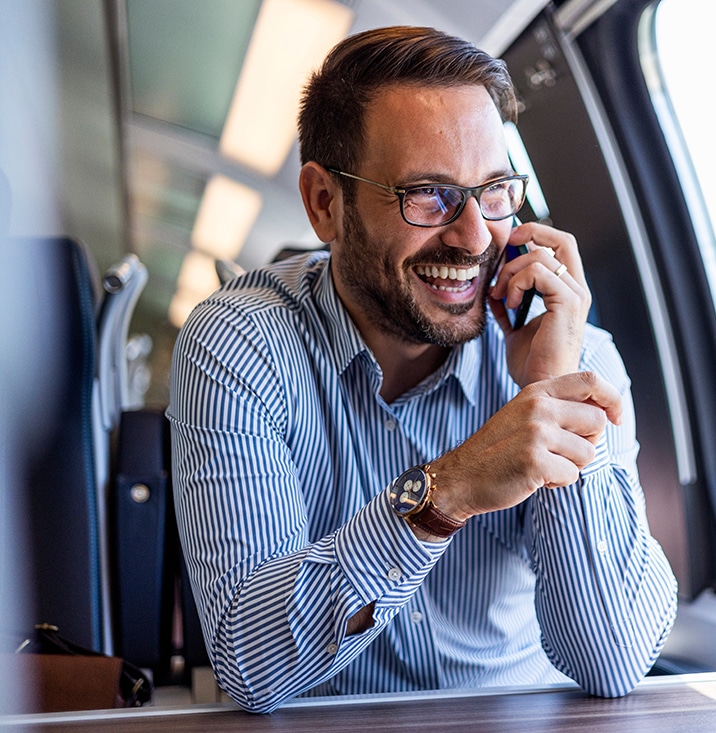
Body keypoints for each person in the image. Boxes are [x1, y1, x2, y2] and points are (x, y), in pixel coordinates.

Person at [168, 25, 678, 714]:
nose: (473, 237)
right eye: (428, 195)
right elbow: (252, 666)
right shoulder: (239, 346)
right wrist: (444, 494)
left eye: (493, 190)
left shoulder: (572, 349)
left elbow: (613, 660)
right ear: (325, 204)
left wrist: (550, 386)